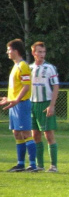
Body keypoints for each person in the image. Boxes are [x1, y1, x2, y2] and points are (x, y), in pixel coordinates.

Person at [1, 39, 38, 172]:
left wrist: (16, 100)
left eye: (9, 49)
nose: (7, 52)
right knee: (17, 133)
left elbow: (26, 87)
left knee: (26, 132)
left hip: (21, 104)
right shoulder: (16, 66)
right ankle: (20, 163)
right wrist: (9, 98)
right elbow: (17, 87)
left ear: (15, 51)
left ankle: (33, 165)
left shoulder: (23, 66)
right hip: (15, 103)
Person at [29, 42, 60, 172]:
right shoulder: (29, 68)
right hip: (32, 104)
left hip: (45, 103)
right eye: (39, 52)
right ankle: (39, 165)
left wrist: (51, 105)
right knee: (35, 135)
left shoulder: (50, 68)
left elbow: (56, 86)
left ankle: (53, 165)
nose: (42, 55)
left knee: (49, 135)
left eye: (43, 52)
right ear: (33, 53)